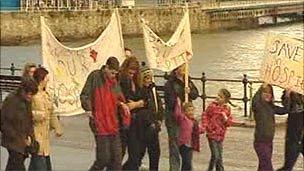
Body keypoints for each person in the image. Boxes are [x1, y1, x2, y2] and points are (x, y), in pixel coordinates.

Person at [80, 56, 130, 171]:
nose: (114, 76)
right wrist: (88, 108)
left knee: (117, 160)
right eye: (112, 73)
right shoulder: (95, 76)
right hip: (99, 123)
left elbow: (119, 97)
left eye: (115, 73)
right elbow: (85, 95)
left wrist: (122, 104)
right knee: (103, 158)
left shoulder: (114, 82)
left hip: (113, 124)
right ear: (106, 67)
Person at [164, 64, 199, 171]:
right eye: (181, 67)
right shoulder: (170, 83)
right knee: (174, 146)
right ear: (176, 69)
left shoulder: (188, 80)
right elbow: (169, 101)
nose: (183, 69)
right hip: (174, 119)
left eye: (184, 67)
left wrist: (190, 91)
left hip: (187, 119)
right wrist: (181, 95)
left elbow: (195, 94)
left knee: (187, 146)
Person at [29, 67, 63, 171]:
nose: (47, 81)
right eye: (46, 79)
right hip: (36, 136)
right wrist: (39, 115)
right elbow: (26, 113)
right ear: (41, 79)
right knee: (40, 164)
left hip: (45, 138)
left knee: (40, 165)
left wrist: (57, 127)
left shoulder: (46, 95)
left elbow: (51, 112)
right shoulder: (32, 95)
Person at [0, 79, 38, 171]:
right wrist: (18, 138)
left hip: (22, 141)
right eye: (29, 94)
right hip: (13, 141)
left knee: (13, 166)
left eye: (32, 94)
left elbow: (29, 120)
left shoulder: (27, 101)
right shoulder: (12, 100)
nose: (30, 96)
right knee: (17, 165)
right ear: (23, 91)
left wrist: (31, 138)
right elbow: (3, 122)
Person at [252, 84, 289, 171]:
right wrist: (262, 86)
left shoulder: (272, 107)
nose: (267, 94)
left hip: (269, 141)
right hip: (260, 141)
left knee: (263, 165)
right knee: (267, 165)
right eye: (265, 92)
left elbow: (285, 110)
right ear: (260, 93)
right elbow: (254, 100)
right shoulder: (258, 106)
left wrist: (287, 96)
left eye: (269, 92)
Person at [119, 57, 147, 170]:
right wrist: (137, 103)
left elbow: (145, 100)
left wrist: (136, 104)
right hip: (124, 122)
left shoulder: (137, 82)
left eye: (134, 73)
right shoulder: (122, 81)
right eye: (130, 72)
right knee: (120, 153)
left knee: (135, 154)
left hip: (136, 122)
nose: (132, 75)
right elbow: (123, 99)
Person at [137, 64, 164, 171]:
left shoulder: (153, 90)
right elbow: (142, 110)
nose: (148, 80)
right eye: (146, 78)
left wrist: (159, 119)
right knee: (140, 152)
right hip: (143, 127)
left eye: (150, 78)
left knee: (155, 153)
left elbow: (159, 105)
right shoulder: (140, 91)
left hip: (154, 126)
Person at [201, 88, 235, 171]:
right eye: (218, 95)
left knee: (219, 156)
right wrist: (206, 126)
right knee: (215, 155)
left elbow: (229, 123)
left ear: (225, 100)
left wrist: (225, 118)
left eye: (221, 96)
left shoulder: (227, 109)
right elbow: (205, 115)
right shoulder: (212, 106)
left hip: (220, 135)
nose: (218, 97)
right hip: (211, 134)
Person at [277, 91, 303, 171]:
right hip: (294, 132)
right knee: (288, 164)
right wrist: (287, 94)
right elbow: (286, 107)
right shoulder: (292, 90)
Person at [175, 100, 203, 171]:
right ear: (185, 112)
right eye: (188, 110)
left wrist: (205, 129)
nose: (191, 112)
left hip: (191, 144)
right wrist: (178, 103)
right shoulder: (183, 119)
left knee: (187, 162)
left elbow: (198, 130)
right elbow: (178, 114)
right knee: (187, 162)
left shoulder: (194, 121)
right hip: (183, 144)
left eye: (192, 110)